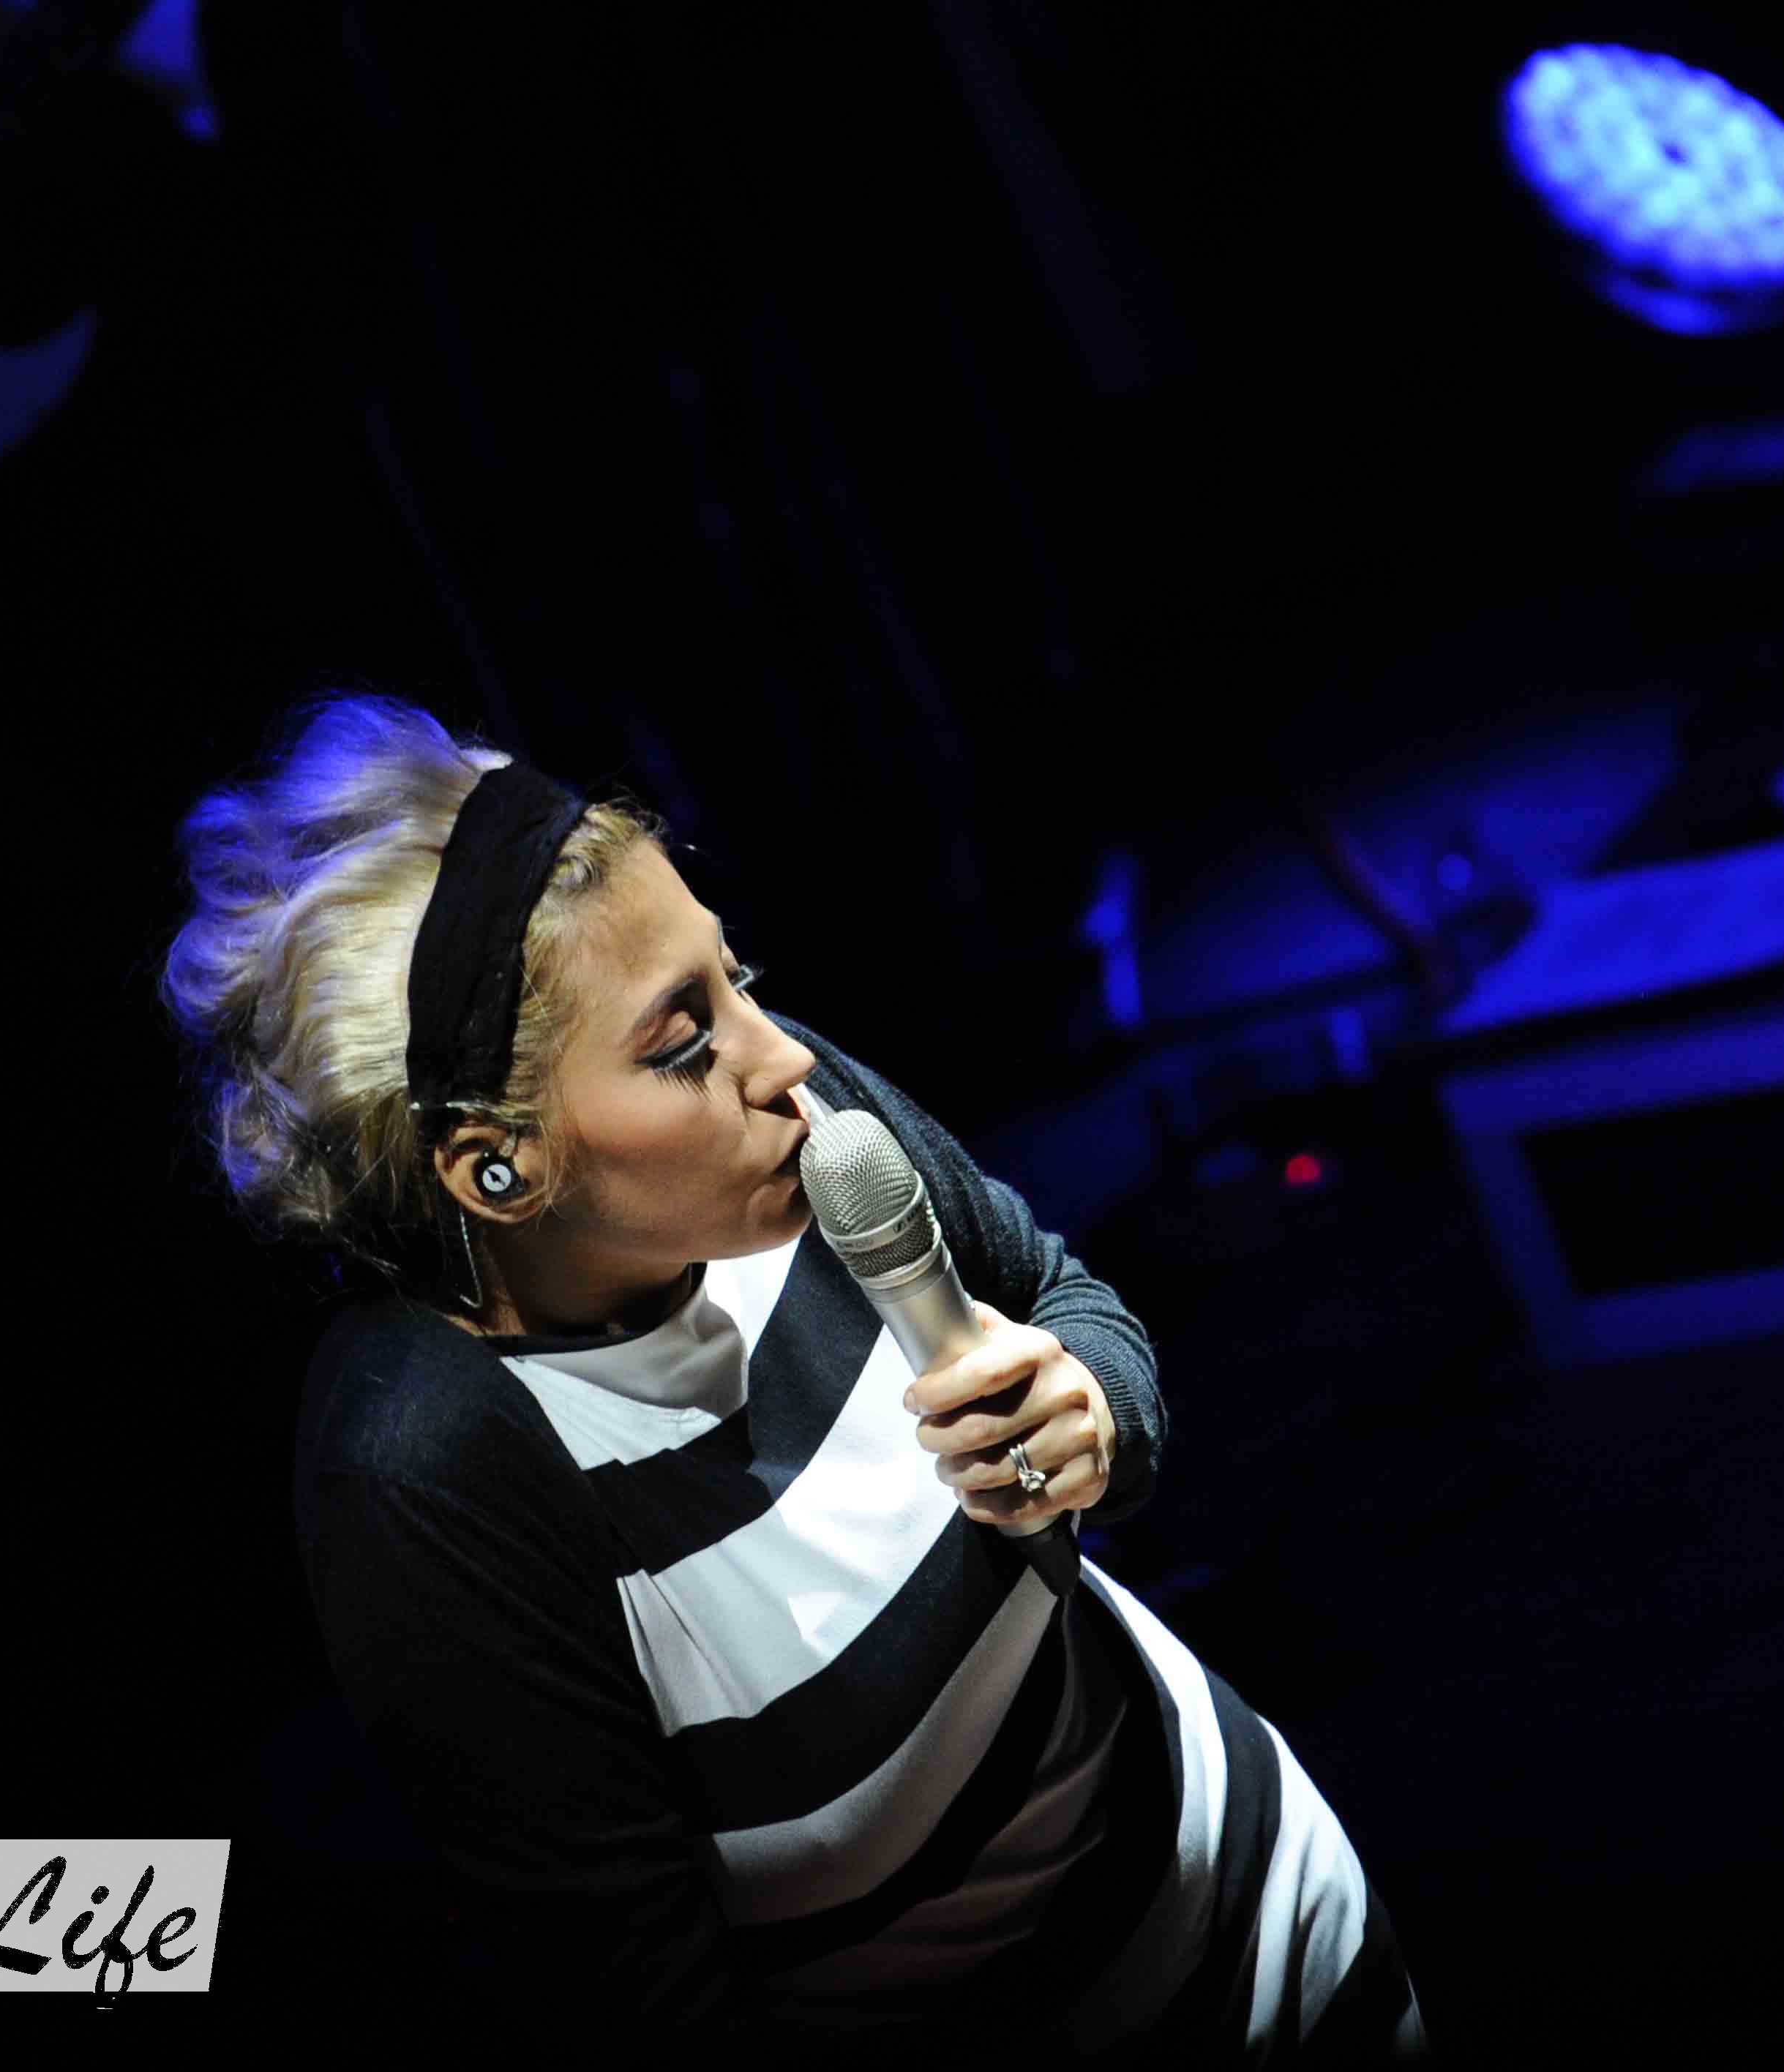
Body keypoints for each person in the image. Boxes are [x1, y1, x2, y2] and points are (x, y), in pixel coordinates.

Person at [157, 691, 1431, 2065]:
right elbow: (644, 2008)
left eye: (736, 978)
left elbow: (1061, 1296)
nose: (785, 1058)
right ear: (497, 1168)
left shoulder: (806, 1130)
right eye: (681, 1042)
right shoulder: (428, 1466)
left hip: (1278, 1914)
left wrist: (1094, 1414)